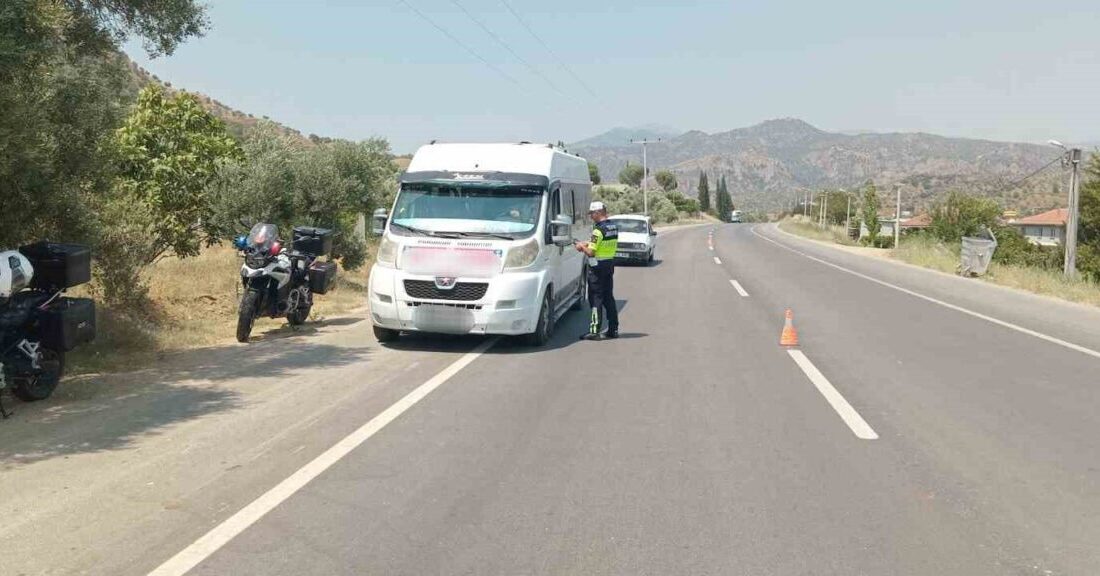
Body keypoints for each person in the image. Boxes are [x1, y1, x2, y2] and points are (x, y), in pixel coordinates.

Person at [574, 201, 619, 340]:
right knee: (608, 298)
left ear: (599, 212)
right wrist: (588, 242)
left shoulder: (598, 230)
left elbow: (591, 252)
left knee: (595, 299)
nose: (591, 217)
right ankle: (613, 329)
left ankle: (594, 331)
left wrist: (581, 247)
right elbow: (601, 243)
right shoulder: (613, 227)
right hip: (609, 264)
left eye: (592, 214)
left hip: (597, 267)